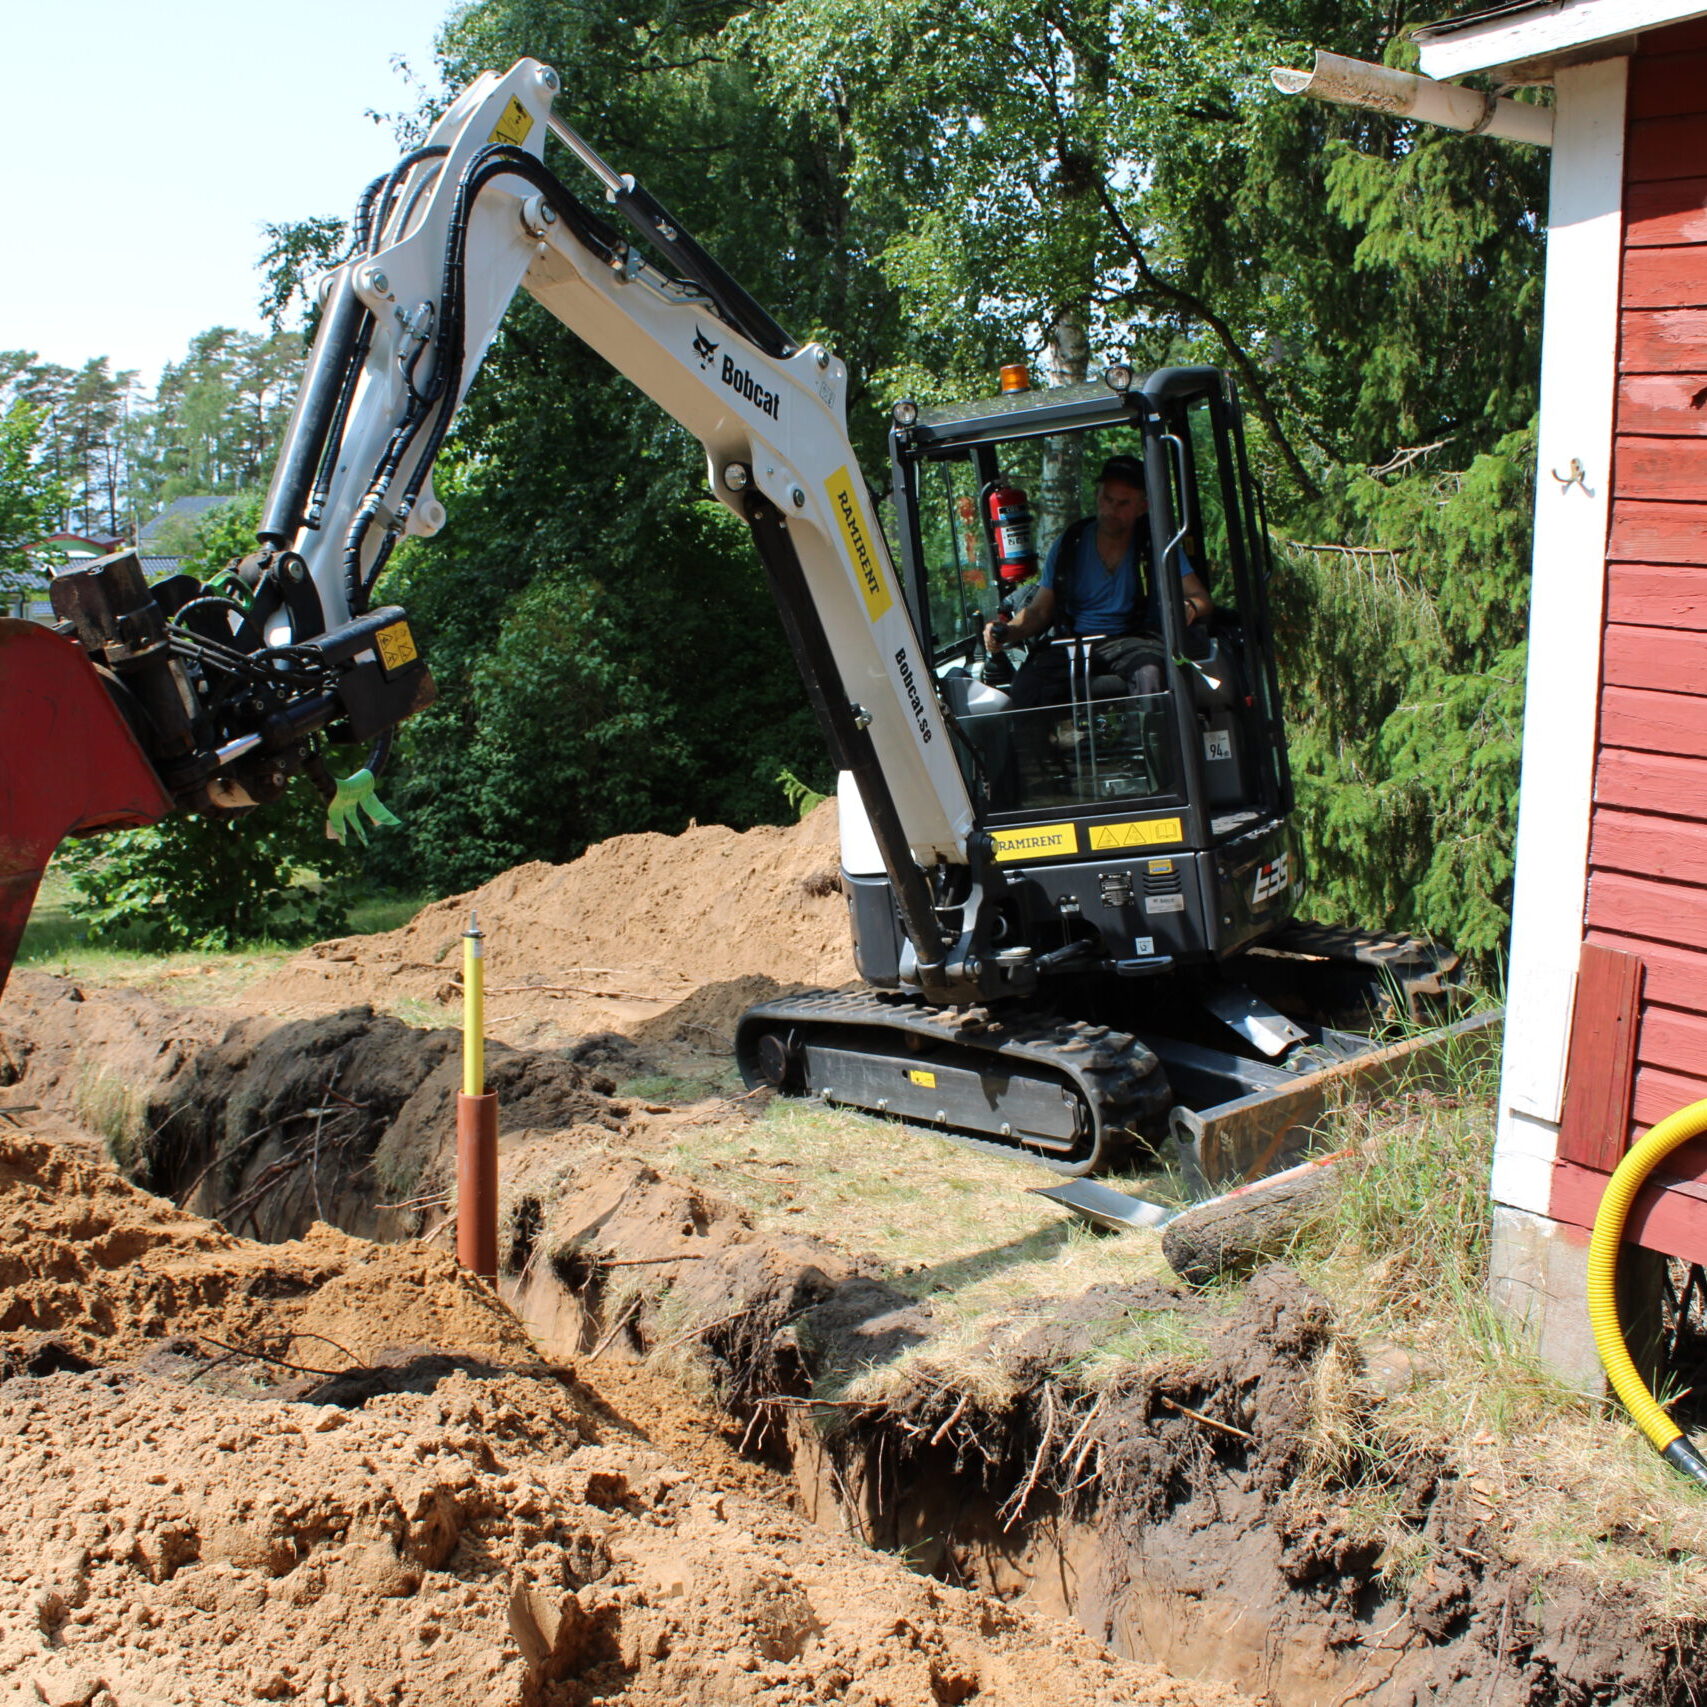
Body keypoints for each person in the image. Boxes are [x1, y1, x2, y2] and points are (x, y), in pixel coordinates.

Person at [981, 455, 1211, 709]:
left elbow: (1201, 598)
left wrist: (1189, 607)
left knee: (1150, 673)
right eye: (1106, 499)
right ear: (1097, 496)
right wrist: (1006, 632)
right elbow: (1039, 611)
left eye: (1123, 503)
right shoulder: (1070, 544)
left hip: (1135, 641)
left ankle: (1154, 735)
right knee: (1026, 686)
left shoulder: (1156, 545)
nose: (1111, 510)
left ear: (1143, 507)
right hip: (1073, 643)